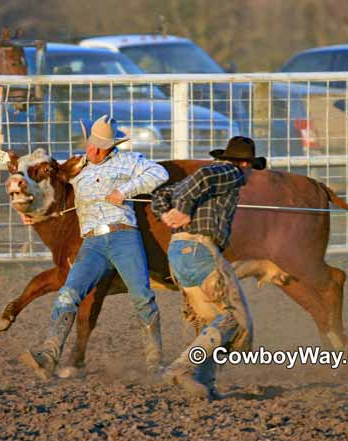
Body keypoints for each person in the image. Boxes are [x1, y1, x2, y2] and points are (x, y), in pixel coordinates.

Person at [19, 115, 169, 379]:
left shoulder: (129, 162)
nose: (93, 151)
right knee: (68, 294)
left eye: (100, 147)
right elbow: (48, 186)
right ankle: (49, 355)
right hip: (92, 242)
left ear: (112, 147)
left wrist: (126, 191)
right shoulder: (77, 165)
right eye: (91, 145)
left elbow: (160, 173)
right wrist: (33, 211)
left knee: (142, 296)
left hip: (124, 237)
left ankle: (155, 362)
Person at [151, 136, 266, 400]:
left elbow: (161, 194)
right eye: (251, 167)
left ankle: (204, 384)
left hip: (180, 252)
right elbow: (204, 176)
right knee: (235, 321)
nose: (250, 173)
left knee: (215, 323)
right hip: (201, 249)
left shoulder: (198, 180)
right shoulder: (230, 172)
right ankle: (182, 367)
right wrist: (183, 209)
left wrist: (167, 215)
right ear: (245, 163)